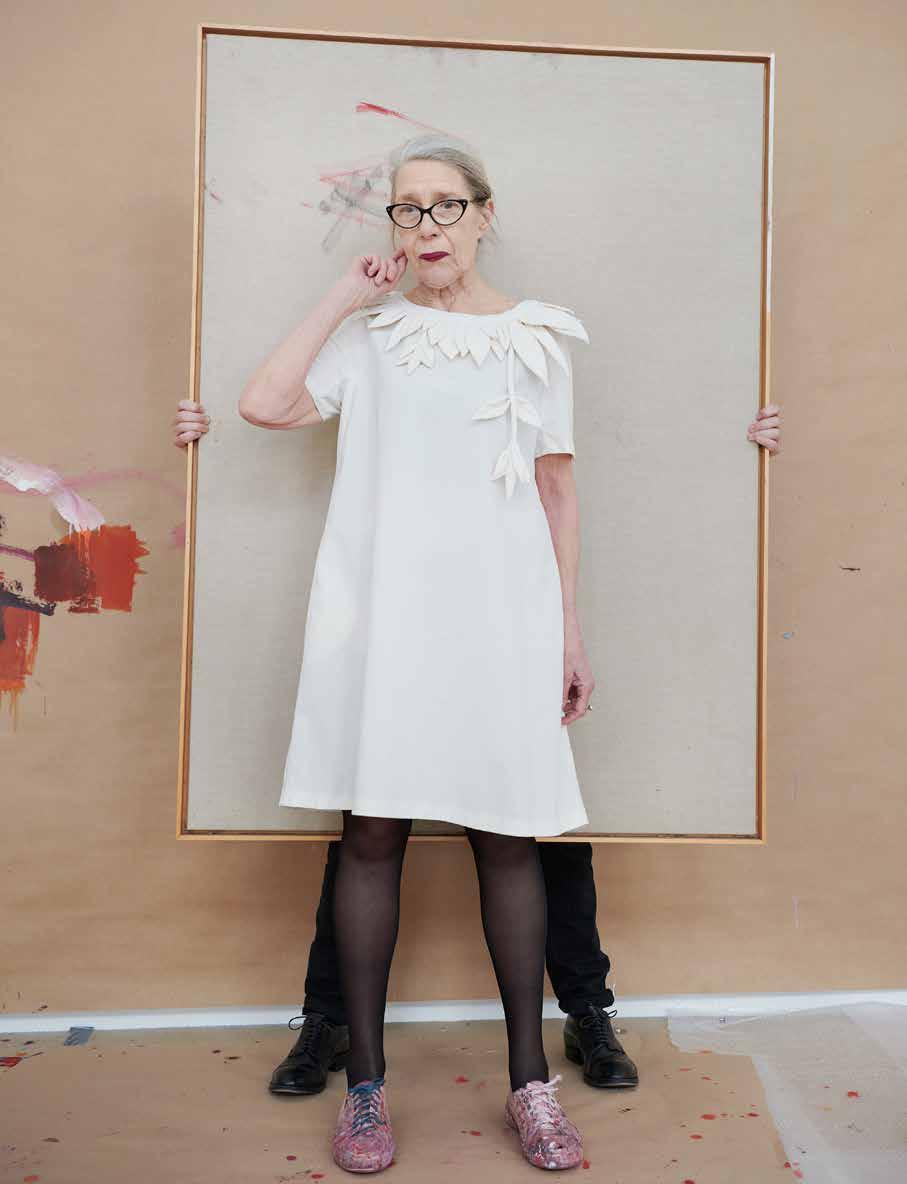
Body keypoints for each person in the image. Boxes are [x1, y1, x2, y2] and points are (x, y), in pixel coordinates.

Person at [173, 133, 782, 1174]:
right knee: (371, 833)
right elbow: (265, 405)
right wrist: (343, 294)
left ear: (484, 215)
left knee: (508, 839)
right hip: (383, 618)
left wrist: (567, 631)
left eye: (445, 206)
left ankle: (530, 1084)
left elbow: (557, 491)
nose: (426, 226)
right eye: (407, 209)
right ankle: (366, 1089)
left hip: (502, 615)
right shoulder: (370, 336)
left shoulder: (535, 338)